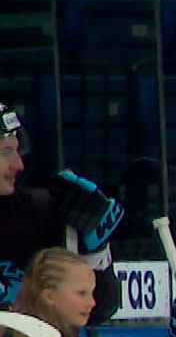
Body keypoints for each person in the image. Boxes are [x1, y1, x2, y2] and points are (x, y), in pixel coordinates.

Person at [0, 102, 122, 323]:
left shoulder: (44, 213)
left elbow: (98, 311)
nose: (19, 165)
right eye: (6, 152)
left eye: (17, 151)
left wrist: (96, 254)